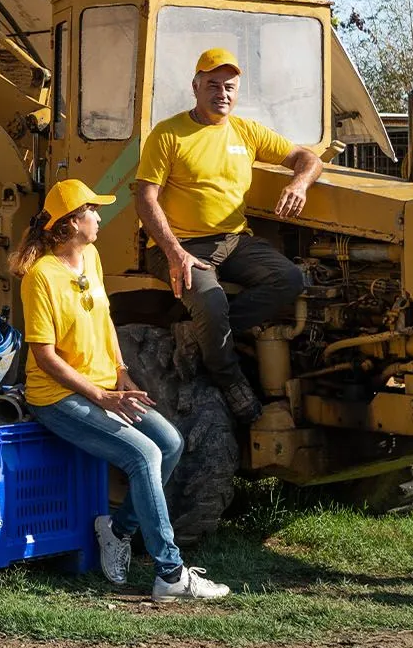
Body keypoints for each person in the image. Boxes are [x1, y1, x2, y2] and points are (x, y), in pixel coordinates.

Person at [16, 178, 233, 602]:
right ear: (72, 221)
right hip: (57, 397)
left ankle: (116, 530)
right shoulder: (39, 277)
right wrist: (100, 398)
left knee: (170, 442)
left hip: (103, 387)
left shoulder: (92, 258)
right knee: (145, 455)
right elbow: (44, 358)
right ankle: (170, 574)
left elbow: (104, 320)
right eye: (93, 211)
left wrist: (120, 372)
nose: (99, 217)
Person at [132, 47, 323, 421]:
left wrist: (299, 184)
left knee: (289, 279)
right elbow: (144, 197)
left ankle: (201, 334)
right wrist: (175, 253)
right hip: (177, 244)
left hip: (233, 240)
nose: (222, 93)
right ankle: (229, 379)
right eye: (213, 84)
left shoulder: (246, 131)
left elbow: (307, 159)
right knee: (212, 303)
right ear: (196, 87)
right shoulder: (168, 133)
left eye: (230, 86)